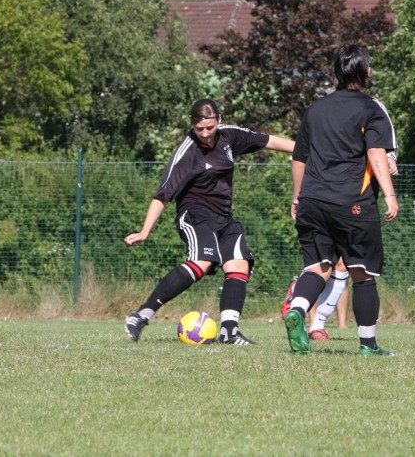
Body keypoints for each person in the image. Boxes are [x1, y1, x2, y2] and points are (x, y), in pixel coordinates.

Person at [124, 98, 295, 345]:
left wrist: (308, 150)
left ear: (219, 120)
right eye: (199, 128)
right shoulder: (187, 151)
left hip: (224, 217)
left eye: (210, 127)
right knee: (202, 262)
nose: (205, 133)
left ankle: (229, 332)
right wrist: (144, 231)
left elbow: (270, 141)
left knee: (239, 265)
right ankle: (141, 315)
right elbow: (162, 195)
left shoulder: (230, 136)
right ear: (192, 124)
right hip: (194, 214)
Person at [285, 44, 399, 355]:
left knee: (318, 268)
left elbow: (299, 157)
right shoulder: (371, 108)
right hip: (353, 203)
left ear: (336, 73)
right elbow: (376, 152)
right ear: (367, 72)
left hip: (312, 200)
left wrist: (297, 197)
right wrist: (389, 194)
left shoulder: (315, 109)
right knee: (362, 274)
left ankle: (297, 310)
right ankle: (368, 345)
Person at [280, 133, 398, 341]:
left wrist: (390, 158)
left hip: (319, 198)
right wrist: (389, 193)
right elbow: (375, 150)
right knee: (347, 267)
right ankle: (357, 338)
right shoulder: (368, 113)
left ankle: (304, 312)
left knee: (334, 264)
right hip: (348, 201)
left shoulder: (327, 115)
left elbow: (381, 149)